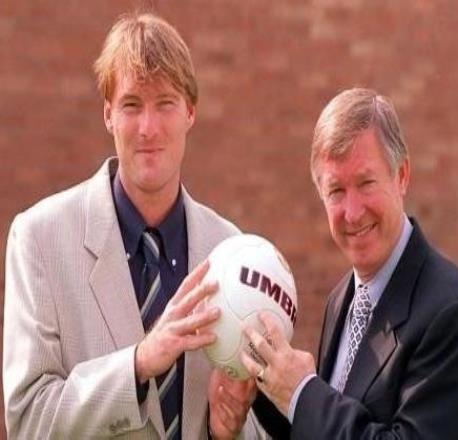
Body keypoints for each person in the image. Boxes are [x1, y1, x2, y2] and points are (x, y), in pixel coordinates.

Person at [3, 12, 266, 439]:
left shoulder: (231, 250)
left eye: (165, 104)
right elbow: (28, 420)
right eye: (131, 105)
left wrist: (228, 430)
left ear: (190, 112)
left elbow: (252, 424)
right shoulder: (39, 239)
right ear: (108, 114)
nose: (148, 128)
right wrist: (138, 364)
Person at [242, 88, 458, 439]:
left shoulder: (451, 311)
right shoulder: (340, 300)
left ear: (402, 175)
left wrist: (302, 393)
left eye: (366, 183)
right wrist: (264, 387)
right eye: (336, 191)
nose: (352, 212)